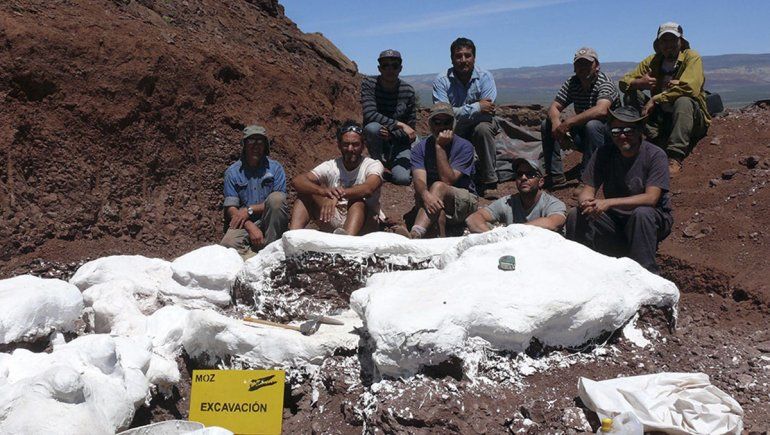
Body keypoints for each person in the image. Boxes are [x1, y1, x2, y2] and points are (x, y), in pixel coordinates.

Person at [566, 106, 673, 273]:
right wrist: (587, 203)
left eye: (628, 130)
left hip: (651, 220)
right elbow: (587, 189)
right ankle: (579, 270)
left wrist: (608, 203)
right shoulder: (603, 153)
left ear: (639, 131)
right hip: (616, 220)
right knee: (576, 215)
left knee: (641, 213)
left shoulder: (655, 155)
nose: (622, 135)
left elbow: (651, 198)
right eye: (616, 130)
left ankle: (645, 274)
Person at [619, 22, 709, 176]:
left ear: (680, 41)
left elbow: (690, 88)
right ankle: (653, 139)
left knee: (683, 100)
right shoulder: (653, 61)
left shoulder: (691, 57)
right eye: (664, 41)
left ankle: (675, 155)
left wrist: (656, 99)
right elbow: (624, 81)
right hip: (662, 118)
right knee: (631, 93)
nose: (668, 45)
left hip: (690, 118)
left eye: (672, 40)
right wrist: (638, 82)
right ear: (659, 43)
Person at [541, 47, 620, 190]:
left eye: (587, 64)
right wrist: (556, 125)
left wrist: (569, 122)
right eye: (579, 64)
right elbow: (554, 107)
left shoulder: (605, 83)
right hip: (586, 136)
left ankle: (588, 179)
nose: (583, 68)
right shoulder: (573, 82)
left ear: (597, 66)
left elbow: (601, 110)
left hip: (611, 138)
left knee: (593, 125)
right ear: (574, 67)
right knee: (546, 124)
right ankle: (555, 175)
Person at [289, 120, 384, 236]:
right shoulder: (331, 165)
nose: (350, 149)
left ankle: (346, 244)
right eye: (346, 144)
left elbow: (368, 188)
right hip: (335, 214)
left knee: (357, 201)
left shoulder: (372, 165)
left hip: (364, 220)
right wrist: (323, 192)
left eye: (355, 144)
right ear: (339, 145)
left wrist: (337, 195)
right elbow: (297, 181)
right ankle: (292, 238)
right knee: (306, 193)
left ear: (363, 146)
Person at [432, 37, 498, 195]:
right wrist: (477, 107)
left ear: (474, 57)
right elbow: (443, 113)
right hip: (454, 127)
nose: (463, 60)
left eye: (467, 55)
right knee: (442, 134)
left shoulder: (485, 77)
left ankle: (490, 181)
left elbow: (488, 109)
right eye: (458, 56)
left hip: (479, 124)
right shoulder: (442, 81)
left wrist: (458, 111)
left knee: (483, 129)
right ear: (452, 58)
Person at [401, 103, 477, 239]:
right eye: (437, 122)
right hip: (432, 199)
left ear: (453, 124)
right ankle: (435, 246)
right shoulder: (420, 148)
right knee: (437, 211)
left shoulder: (465, 147)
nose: (442, 127)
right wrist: (425, 195)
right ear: (431, 125)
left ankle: (415, 234)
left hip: (462, 200)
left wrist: (439, 147)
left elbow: (448, 180)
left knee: (438, 186)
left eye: (447, 122)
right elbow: (418, 179)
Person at [220, 125, 289, 259]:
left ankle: (272, 251)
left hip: (271, 220)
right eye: (251, 141)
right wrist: (249, 225)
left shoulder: (276, 169)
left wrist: (249, 209)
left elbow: (279, 202)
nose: (255, 146)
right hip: (245, 222)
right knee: (227, 244)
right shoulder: (232, 172)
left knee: (276, 199)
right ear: (244, 145)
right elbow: (231, 208)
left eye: (260, 142)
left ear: (265, 146)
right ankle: (259, 259)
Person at [361, 49, 417, 186]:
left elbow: (411, 130)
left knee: (402, 179)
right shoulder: (369, 84)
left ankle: (392, 164)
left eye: (394, 65)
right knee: (372, 128)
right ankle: (378, 164)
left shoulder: (408, 91)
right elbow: (369, 114)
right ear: (379, 68)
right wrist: (400, 124)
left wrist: (391, 135)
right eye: (385, 65)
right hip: (378, 137)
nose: (390, 69)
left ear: (400, 68)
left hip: (398, 141)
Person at [466, 158, 566, 233]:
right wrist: (491, 238)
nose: (523, 178)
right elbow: (473, 219)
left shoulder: (553, 204)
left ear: (541, 182)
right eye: (519, 174)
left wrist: (513, 232)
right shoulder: (508, 202)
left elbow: (553, 223)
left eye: (530, 174)